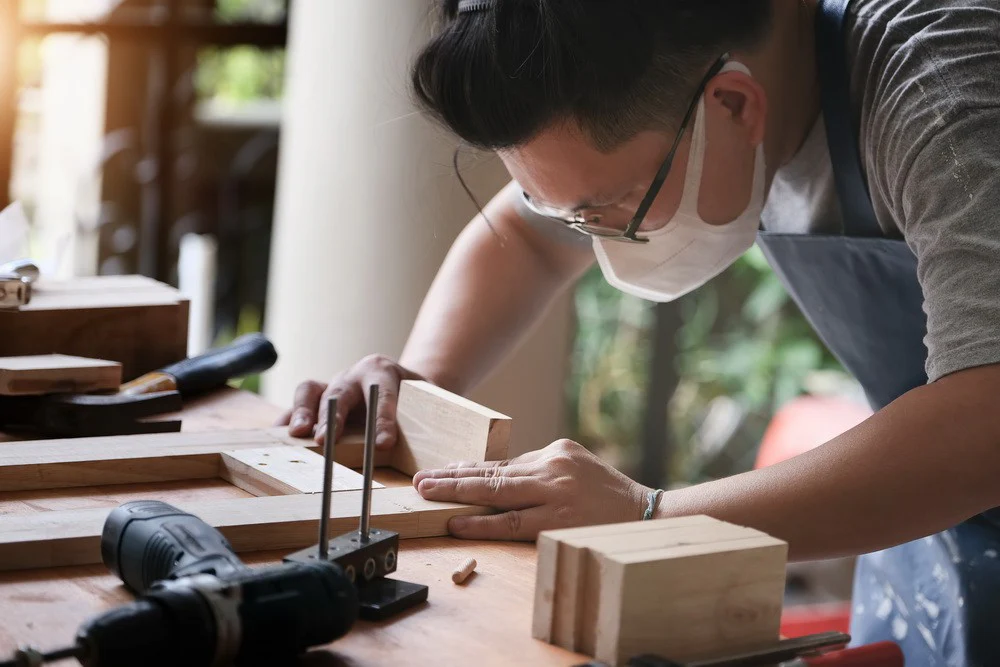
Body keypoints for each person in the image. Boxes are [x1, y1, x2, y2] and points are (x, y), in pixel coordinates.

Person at [278, 1, 1000, 663]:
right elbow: (526, 241)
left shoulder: (942, 90)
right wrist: (419, 385)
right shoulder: (676, 84)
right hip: (938, 532)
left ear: (734, 104)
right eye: (570, 214)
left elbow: (984, 422)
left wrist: (651, 513)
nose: (591, 238)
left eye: (610, 207)